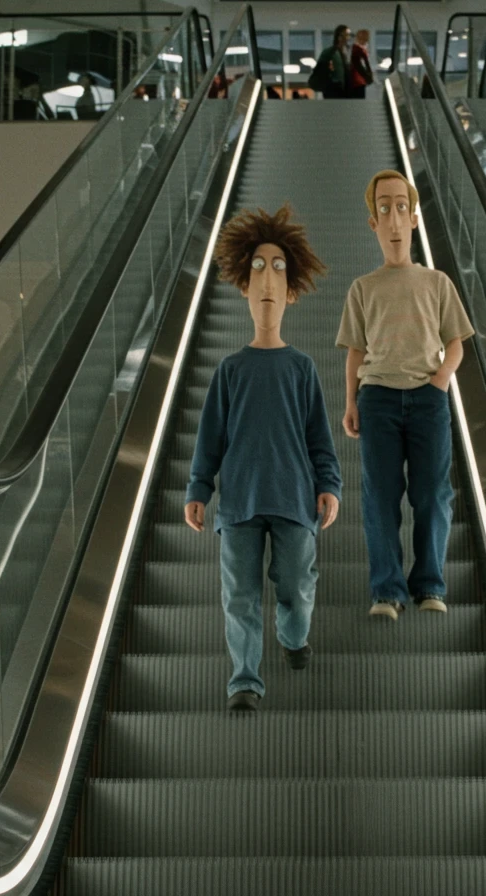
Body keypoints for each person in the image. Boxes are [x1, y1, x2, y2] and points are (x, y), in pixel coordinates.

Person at [186, 205, 341, 712]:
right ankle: (245, 681)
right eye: (258, 267)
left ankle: (294, 638)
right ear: (244, 288)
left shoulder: (302, 368)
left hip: (295, 499)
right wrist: (198, 487)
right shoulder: (230, 371)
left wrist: (330, 484)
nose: (268, 279)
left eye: (279, 267)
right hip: (239, 505)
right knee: (240, 597)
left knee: (296, 586)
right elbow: (210, 437)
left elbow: (319, 436)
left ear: (292, 291)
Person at [336, 171, 474, 620]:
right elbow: (356, 351)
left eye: (400, 207)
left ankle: (430, 584)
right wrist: (351, 402)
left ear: (413, 219)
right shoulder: (363, 288)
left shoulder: (437, 283)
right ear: (371, 223)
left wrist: (438, 383)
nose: (392, 219)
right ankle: (387, 591)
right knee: (379, 495)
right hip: (377, 399)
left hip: (427, 398)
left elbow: (456, 344)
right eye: (383, 209)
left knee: (433, 493)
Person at [315, 25, 352, 98]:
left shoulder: (345, 54)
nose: (349, 38)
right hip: (334, 92)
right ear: (340, 36)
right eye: (347, 35)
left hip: (342, 92)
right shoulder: (331, 52)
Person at [347, 29, 374, 99]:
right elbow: (359, 65)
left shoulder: (358, 49)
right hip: (357, 81)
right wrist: (367, 76)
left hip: (358, 81)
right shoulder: (357, 50)